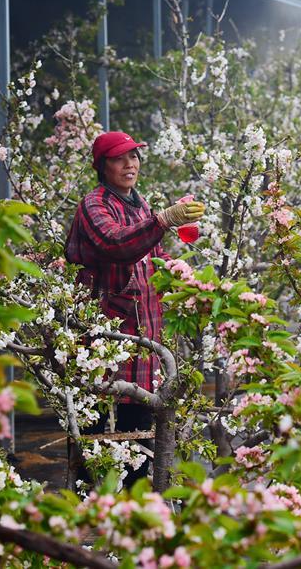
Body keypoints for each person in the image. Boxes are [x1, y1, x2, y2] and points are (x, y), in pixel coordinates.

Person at [65, 130, 205, 487]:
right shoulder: (93, 205)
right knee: (92, 432)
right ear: (103, 166)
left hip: (144, 341)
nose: (130, 165)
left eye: (134, 157)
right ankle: (85, 513)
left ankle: (136, 514)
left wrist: (181, 274)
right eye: (119, 158)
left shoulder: (138, 204)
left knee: (140, 435)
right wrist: (163, 220)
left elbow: (153, 258)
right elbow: (117, 244)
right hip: (103, 342)